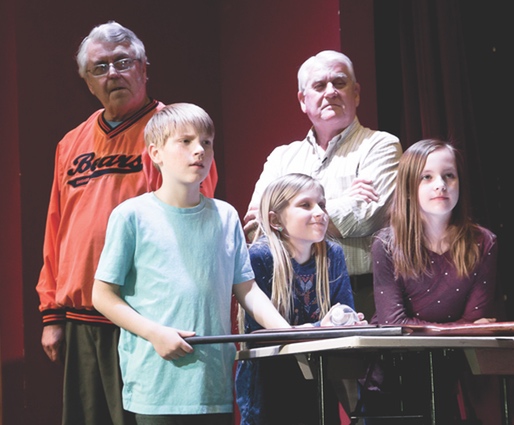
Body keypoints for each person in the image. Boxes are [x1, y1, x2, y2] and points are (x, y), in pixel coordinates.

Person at [35, 21, 218, 425]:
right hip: (83, 319)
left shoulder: (176, 134)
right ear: (87, 81)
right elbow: (56, 230)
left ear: (144, 68)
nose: (113, 73)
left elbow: (190, 222)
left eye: (123, 62)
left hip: (144, 317)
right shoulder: (71, 143)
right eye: (100, 67)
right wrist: (52, 313)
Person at [92, 102, 291, 425]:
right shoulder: (131, 216)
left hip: (212, 384)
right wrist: (155, 333)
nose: (199, 150)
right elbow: (102, 295)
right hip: (157, 383)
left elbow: (247, 288)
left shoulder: (225, 216)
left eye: (206, 142)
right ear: (155, 153)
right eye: (185, 141)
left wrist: (287, 332)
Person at [361, 139, 514, 424]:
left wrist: (451, 330)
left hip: (452, 367)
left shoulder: (482, 242)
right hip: (395, 371)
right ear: (410, 187)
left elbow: (474, 319)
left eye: (449, 175)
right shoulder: (386, 244)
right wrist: (458, 328)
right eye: (427, 177)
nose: (441, 184)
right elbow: (393, 323)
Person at [244, 50, 402, 321]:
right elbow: (256, 226)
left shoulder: (382, 145)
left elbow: (367, 216)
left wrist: (291, 218)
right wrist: (344, 200)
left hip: (362, 290)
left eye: (339, 83)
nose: (330, 92)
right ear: (303, 101)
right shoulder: (282, 156)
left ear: (356, 93)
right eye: (319, 86)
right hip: (287, 294)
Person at [236, 173, 366, 425]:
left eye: (322, 205)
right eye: (306, 205)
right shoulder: (261, 257)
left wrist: (349, 322)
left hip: (319, 378)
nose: (320, 212)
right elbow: (259, 334)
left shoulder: (332, 254)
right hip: (270, 386)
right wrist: (321, 327)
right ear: (275, 220)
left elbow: (343, 312)